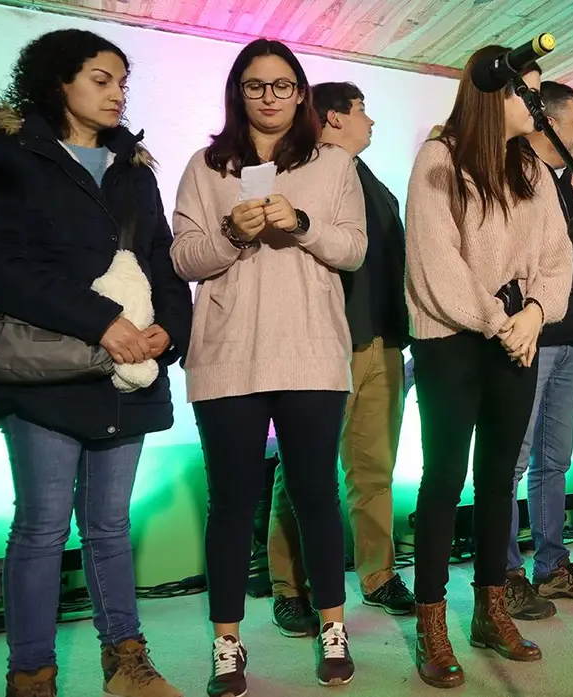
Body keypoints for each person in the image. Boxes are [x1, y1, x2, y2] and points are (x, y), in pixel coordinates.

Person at [0, 29, 191, 697]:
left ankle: (125, 659)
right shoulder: (10, 157)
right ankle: (32, 673)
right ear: (58, 80)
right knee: (42, 524)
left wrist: (168, 328)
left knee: (107, 523)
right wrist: (100, 322)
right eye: (100, 78)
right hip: (48, 373)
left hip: (128, 374)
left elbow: (161, 261)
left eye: (122, 81)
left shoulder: (135, 168)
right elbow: (1, 267)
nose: (116, 92)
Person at [170, 39, 367, 695]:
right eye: (257, 86)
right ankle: (227, 642)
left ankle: (332, 628)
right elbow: (182, 257)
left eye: (283, 85)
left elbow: (354, 250)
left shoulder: (332, 164)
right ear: (239, 93)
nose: (270, 97)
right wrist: (230, 233)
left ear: (301, 93)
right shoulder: (206, 165)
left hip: (311, 353)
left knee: (316, 496)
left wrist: (304, 221)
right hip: (227, 356)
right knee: (232, 504)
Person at [404, 46, 572, 688]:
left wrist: (533, 314)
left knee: (500, 476)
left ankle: (490, 609)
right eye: (524, 93)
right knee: (444, 479)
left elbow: (556, 258)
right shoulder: (439, 158)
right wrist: (506, 323)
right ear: (490, 95)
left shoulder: (534, 168)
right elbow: (435, 263)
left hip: (516, 333)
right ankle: (431, 621)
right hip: (453, 336)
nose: (533, 105)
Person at [265, 81, 414, 637]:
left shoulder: (371, 181)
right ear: (331, 119)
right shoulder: (299, 172)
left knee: (374, 469)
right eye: (362, 111)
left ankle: (378, 576)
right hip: (325, 344)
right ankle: (290, 587)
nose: (370, 122)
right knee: (302, 471)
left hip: (382, 342)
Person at [502, 81, 573, 620]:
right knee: (511, 461)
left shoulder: (568, 185)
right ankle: (504, 574)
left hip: (569, 338)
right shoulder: (516, 177)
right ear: (545, 124)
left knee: (553, 461)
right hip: (530, 338)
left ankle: (552, 565)